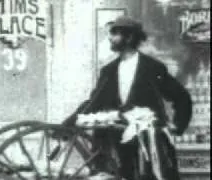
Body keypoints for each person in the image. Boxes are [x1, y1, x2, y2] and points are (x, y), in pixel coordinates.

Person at [61, 16, 192, 180]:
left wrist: (177, 125)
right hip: (115, 143)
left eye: (115, 33)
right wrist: (68, 124)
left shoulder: (152, 68)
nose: (110, 37)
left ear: (129, 37)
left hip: (148, 142)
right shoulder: (108, 71)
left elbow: (181, 97)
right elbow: (93, 103)